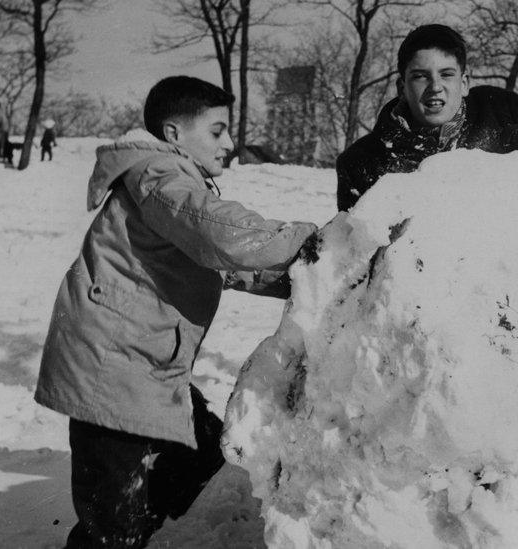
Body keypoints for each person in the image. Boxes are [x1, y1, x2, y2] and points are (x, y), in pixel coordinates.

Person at [34, 76, 318, 548]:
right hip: (110, 368)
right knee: (113, 520)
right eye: (216, 131)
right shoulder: (160, 176)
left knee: (202, 448)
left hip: (140, 364)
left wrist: (311, 276)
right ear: (173, 134)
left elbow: (223, 262)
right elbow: (218, 232)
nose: (229, 144)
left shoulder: (168, 180)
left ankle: (127, 532)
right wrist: (311, 241)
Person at [336, 24, 518, 212]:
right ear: (401, 88)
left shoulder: (500, 111)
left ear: (464, 83)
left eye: (446, 74)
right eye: (420, 76)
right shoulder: (362, 163)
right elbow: (351, 260)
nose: (435, 86)